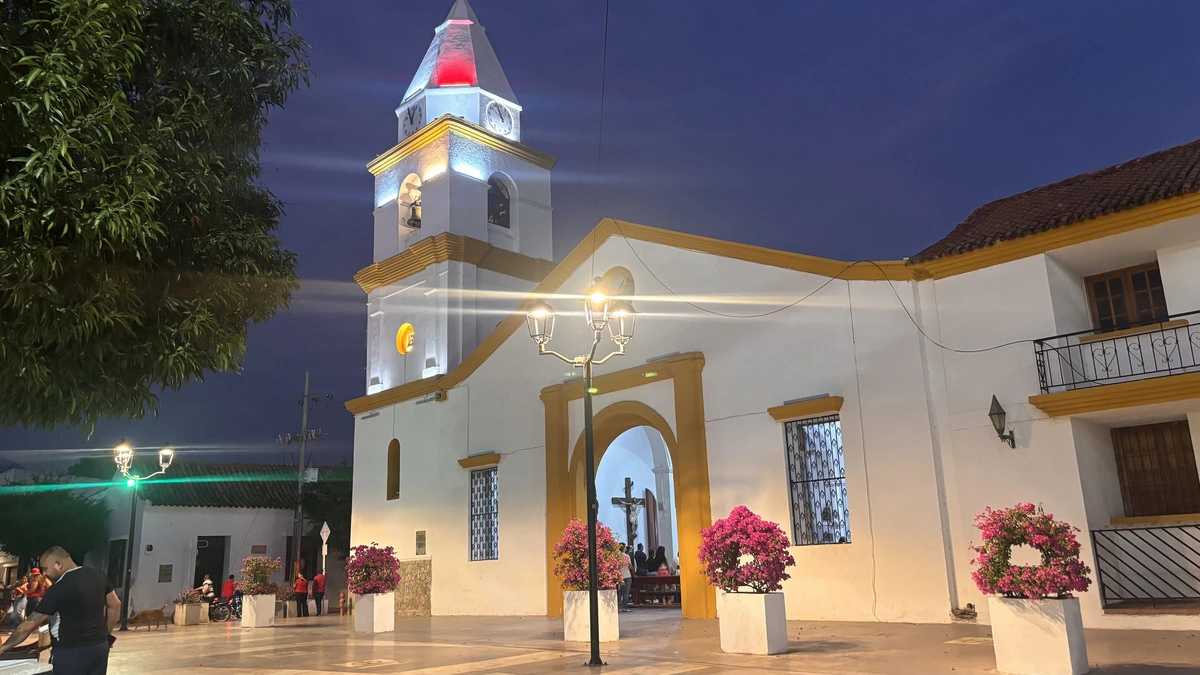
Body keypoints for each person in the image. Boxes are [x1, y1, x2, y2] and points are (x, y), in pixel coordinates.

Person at [0, 546, 121, 674]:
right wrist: (106, 635)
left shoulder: (59, 588)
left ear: (58, 564)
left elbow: (29, 625)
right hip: (99, 648)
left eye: (45, 568)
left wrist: (4, 647)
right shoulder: (98, 576)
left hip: (70, 652)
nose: (45, 573)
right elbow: (115, 604)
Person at [617, 544, 633, 613]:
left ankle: (619, 607)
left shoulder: (617, 556)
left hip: (620, 575)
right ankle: (625, 607)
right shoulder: (626, 556)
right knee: (626, 592)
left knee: (620, 592)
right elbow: (630, 566)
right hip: (627, 575)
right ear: (623, 548)